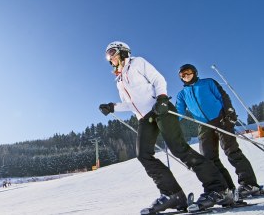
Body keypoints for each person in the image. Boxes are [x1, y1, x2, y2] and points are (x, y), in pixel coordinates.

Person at [99, 41, 233, 214]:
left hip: (160, 109)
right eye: (108, 55)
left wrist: (162, 98)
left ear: (123, 51)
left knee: (179, 149)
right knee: (143, 155)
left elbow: (157, 79)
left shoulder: (137, 63)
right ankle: (173, 195)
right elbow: (131, 104)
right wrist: (113, 107)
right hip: (144, 117)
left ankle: (218, 189)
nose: (111, 57)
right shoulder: (119, 81)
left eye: (112, 52)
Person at [176, 64, 261, 199]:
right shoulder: (182, 95)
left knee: (231, 151)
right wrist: (165, 117)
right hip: (203, 126)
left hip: (220, 119)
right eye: (182, 75)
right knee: (209, 159)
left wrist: (229, 112)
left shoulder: (208, 82)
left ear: (195, 72)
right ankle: (226, 189)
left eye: (188, 72)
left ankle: (249, 184)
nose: (186, 76)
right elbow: (178, 113)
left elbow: (223, 96)